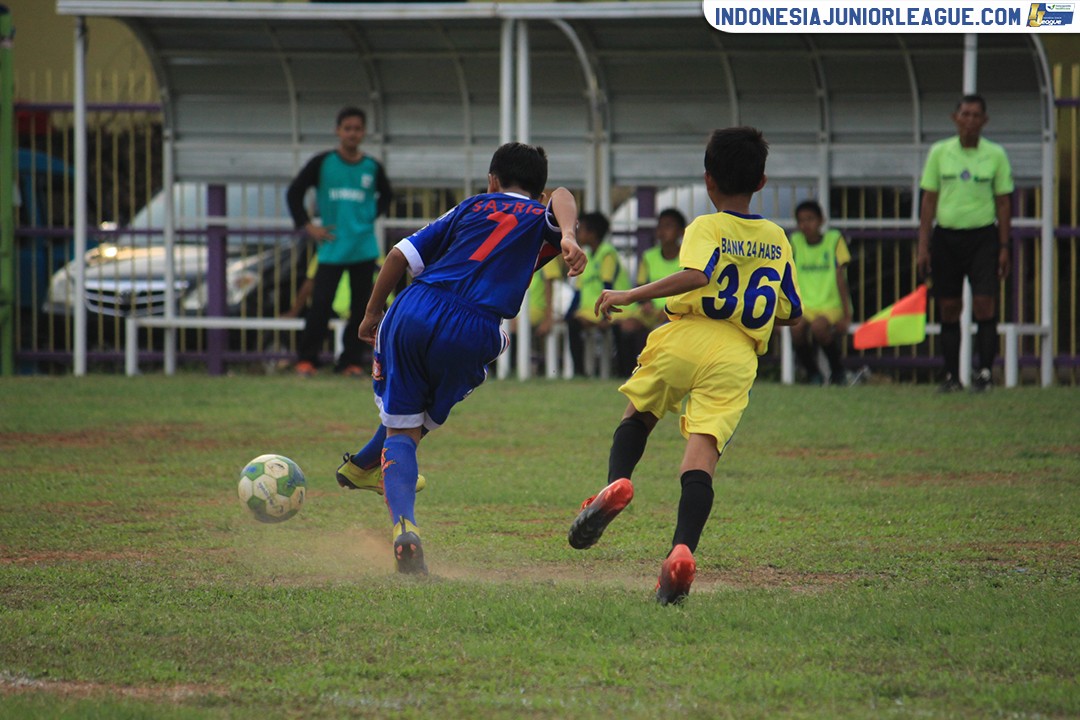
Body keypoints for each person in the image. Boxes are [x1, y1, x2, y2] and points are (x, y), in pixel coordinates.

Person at [566, 127, 802, 605]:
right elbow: (791, 309)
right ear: (761, 183)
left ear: (708, 180)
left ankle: (615, 483)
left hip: (686, 335)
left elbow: (698, 273)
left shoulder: (706, 226)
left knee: (640, 414)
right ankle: (680, 553)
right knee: (703, 456)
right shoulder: (777, 238)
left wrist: (632, 294)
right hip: (737, 353)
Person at [337, 142, 586, 574]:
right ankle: (365, 468)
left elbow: (400, 254)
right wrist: (567, 234)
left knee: (403, 425)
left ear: (492, 180)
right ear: (539, 194)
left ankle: (398, 520)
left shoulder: (473, 206)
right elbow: (564, 195)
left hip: (414, 308)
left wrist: (372, 313)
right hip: (474, 327)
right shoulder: (540, 215)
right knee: (411, 428)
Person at [917, 94, 1013, 393]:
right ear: (955, 118)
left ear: (984, 120)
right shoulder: (939, 152)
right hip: (946, 237)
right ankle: (951, 375)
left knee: (984, 304)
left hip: (983, 237)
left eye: (976, 115)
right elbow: (929, 201)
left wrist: (1004, 246)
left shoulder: (995, 154)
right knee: (949, 307)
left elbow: (1003, 204)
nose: (970, 120)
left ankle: (984, 372)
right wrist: (923, 246)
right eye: (965, 114)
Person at [286, 106, 392, 377]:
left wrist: (368, 216)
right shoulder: (322, 163)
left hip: (363, 247)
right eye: (347, 128)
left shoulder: (372, 167)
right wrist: (308, 226)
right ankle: (307, 359)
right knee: (320, 305)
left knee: (362, 307)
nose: (352, 134)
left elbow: (388, 196)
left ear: (363, 132)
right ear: (338, 131)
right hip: (332, 246)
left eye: (357, 129)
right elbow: (295, 192)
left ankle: (351, 362)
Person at [788, 200, 852, 385]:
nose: (805, 225)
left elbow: (841, 279)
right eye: (801, 220)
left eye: (810, 219)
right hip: (805, 304)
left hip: (831, 304)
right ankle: (812, 373)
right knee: (796, 329)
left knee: (819, 328)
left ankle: (837, 371)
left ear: (821, 220)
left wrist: (847, 315)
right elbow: (785, 275)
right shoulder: (795, 242)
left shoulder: (834, 240)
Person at [617, 208, 687, 372]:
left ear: (681, 232)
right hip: (651, 312)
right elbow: (641, 285)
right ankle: (628, 373)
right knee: (627, 327)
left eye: (668, 226)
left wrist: (671, 309)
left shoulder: (687, 256)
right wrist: (646, 303)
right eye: (660, 226)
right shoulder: (649, 256)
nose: (662, 231)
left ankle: (664, 371)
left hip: (678, 313)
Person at [566, 212, 632, 376]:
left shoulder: (607, 253)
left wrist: (605, 317)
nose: (578, 233)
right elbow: (578, 291)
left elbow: (607, 285)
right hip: (591, 310)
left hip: (616, 308)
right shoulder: (585, 254)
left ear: (593, 233)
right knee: (572, 323)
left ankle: (623, 373)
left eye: (581, 229)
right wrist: (568, 314)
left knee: (620, 329)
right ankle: (580, 373)